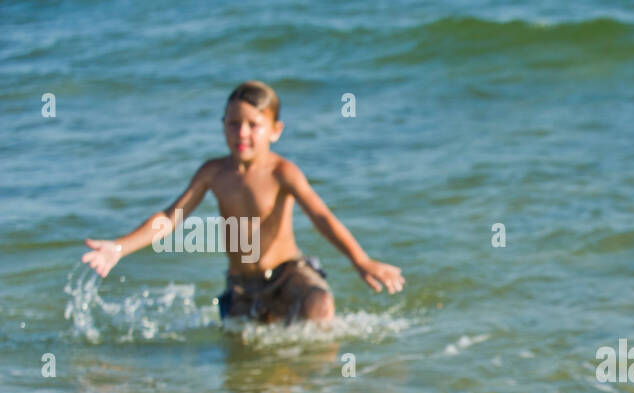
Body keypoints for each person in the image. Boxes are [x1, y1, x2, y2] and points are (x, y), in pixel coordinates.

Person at [81, 80, 403, 324]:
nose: (242, 133)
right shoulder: (213, 173)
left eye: (254, 125)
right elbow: (170, 218)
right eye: (233, 123)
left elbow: (321, 216)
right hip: (241, 284)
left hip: (288, 274)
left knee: (318, 302)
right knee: (246, 374)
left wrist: (361, 260)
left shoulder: (283, 172)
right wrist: (119, 247)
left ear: (275, 131)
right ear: (222, 125)